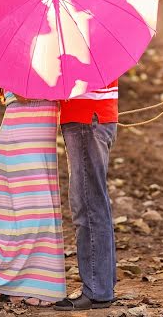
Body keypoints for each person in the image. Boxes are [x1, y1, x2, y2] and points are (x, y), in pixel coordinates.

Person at [0, 88, 66, 307]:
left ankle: (20, 286)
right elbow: (25, 94)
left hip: (38, 143)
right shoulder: (21, 61)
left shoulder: (47, 58)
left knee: (32, 217)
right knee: (30, 218)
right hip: (21, 142)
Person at [53, 80, 119, 311]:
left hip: (85, 118)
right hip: (95, 116)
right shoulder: (92, 44)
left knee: (87, 205)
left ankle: (96, 290)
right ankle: (103, 286)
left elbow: (62, 78)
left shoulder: (79, 44)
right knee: (95, 202)